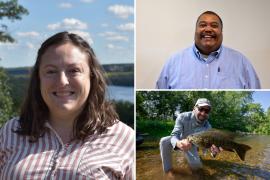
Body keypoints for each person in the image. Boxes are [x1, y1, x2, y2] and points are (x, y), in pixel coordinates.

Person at [0, 32, 134, 179]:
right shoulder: (11, 132)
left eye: (74, 70)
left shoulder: (125, 139)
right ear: (38, 79)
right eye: (51, 71)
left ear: (92, 77)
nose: (62, 81)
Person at [156, 11, 261, 89]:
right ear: (195, 30)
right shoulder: (174, 62)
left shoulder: (241, 62)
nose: (208, 29)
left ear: (221, 31)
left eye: (214, 26)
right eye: (202, 25)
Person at [159, 98, 222, 175]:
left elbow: (209, 149)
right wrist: (178, 143)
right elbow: (174, 135)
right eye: (201, 109)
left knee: (197, 169)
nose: (203, 113)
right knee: (164, 141)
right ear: (194, 108)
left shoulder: (208, 127)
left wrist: (214, 153)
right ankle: (168, 171)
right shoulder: (182, 117)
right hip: (180, 140)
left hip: (192, 146)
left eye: (206, 111)